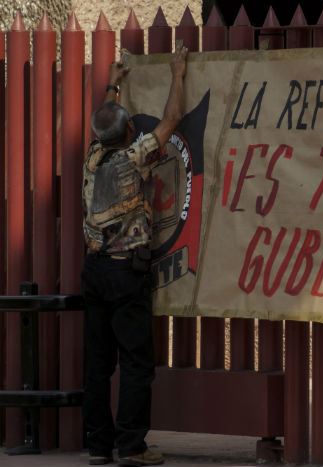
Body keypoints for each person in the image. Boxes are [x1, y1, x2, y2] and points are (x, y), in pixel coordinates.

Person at [81, 44, 188, 466]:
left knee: (98, 366)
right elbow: (172, 121)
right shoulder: (133, 158)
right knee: (137, 365)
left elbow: (105, 123)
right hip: (127, 274)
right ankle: (132, 446)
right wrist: (177, 73)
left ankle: (98, 448)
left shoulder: (92, 158)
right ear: (129, 134)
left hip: (94, 271)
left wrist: (113, 83)